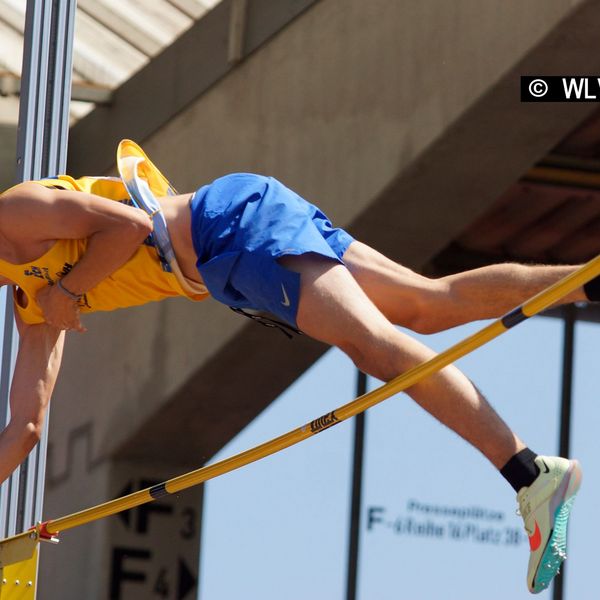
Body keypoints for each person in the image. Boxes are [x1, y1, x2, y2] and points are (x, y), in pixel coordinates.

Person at [0, 140, 597, 593]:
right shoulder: (28, 297)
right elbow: (26, 424)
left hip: (228, 230)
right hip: (234, 235)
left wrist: (71, 292)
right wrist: (59, 298)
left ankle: (530, 473)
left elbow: (128, 225)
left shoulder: (15, 216)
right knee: (427, 304)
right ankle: (589, 284)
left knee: (376, 349)